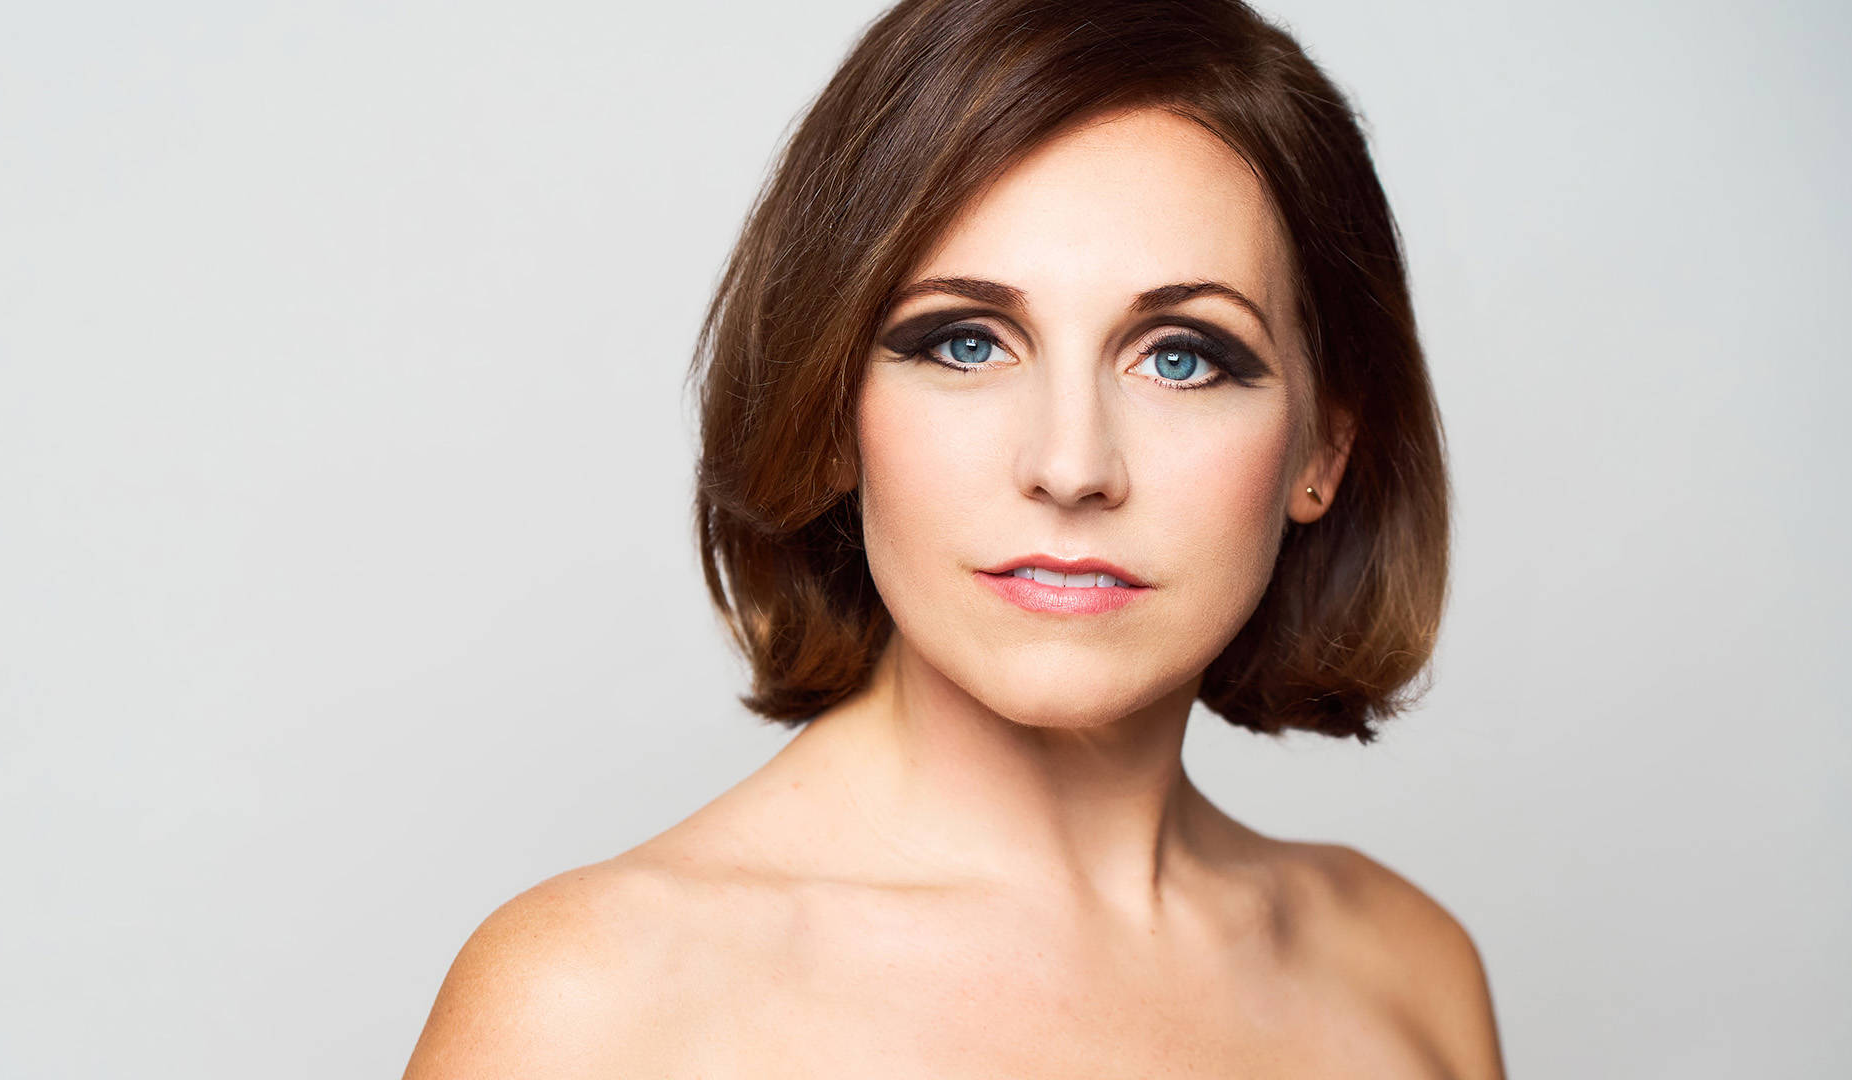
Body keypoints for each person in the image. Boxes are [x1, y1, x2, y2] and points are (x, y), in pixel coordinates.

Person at [404, 0, 1505, 1075]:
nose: (1069, 466)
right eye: (965, 343)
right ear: (833, 406)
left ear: (1325, 447)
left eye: (1182, 357)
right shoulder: (593, 1010)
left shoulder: (1406, 978)